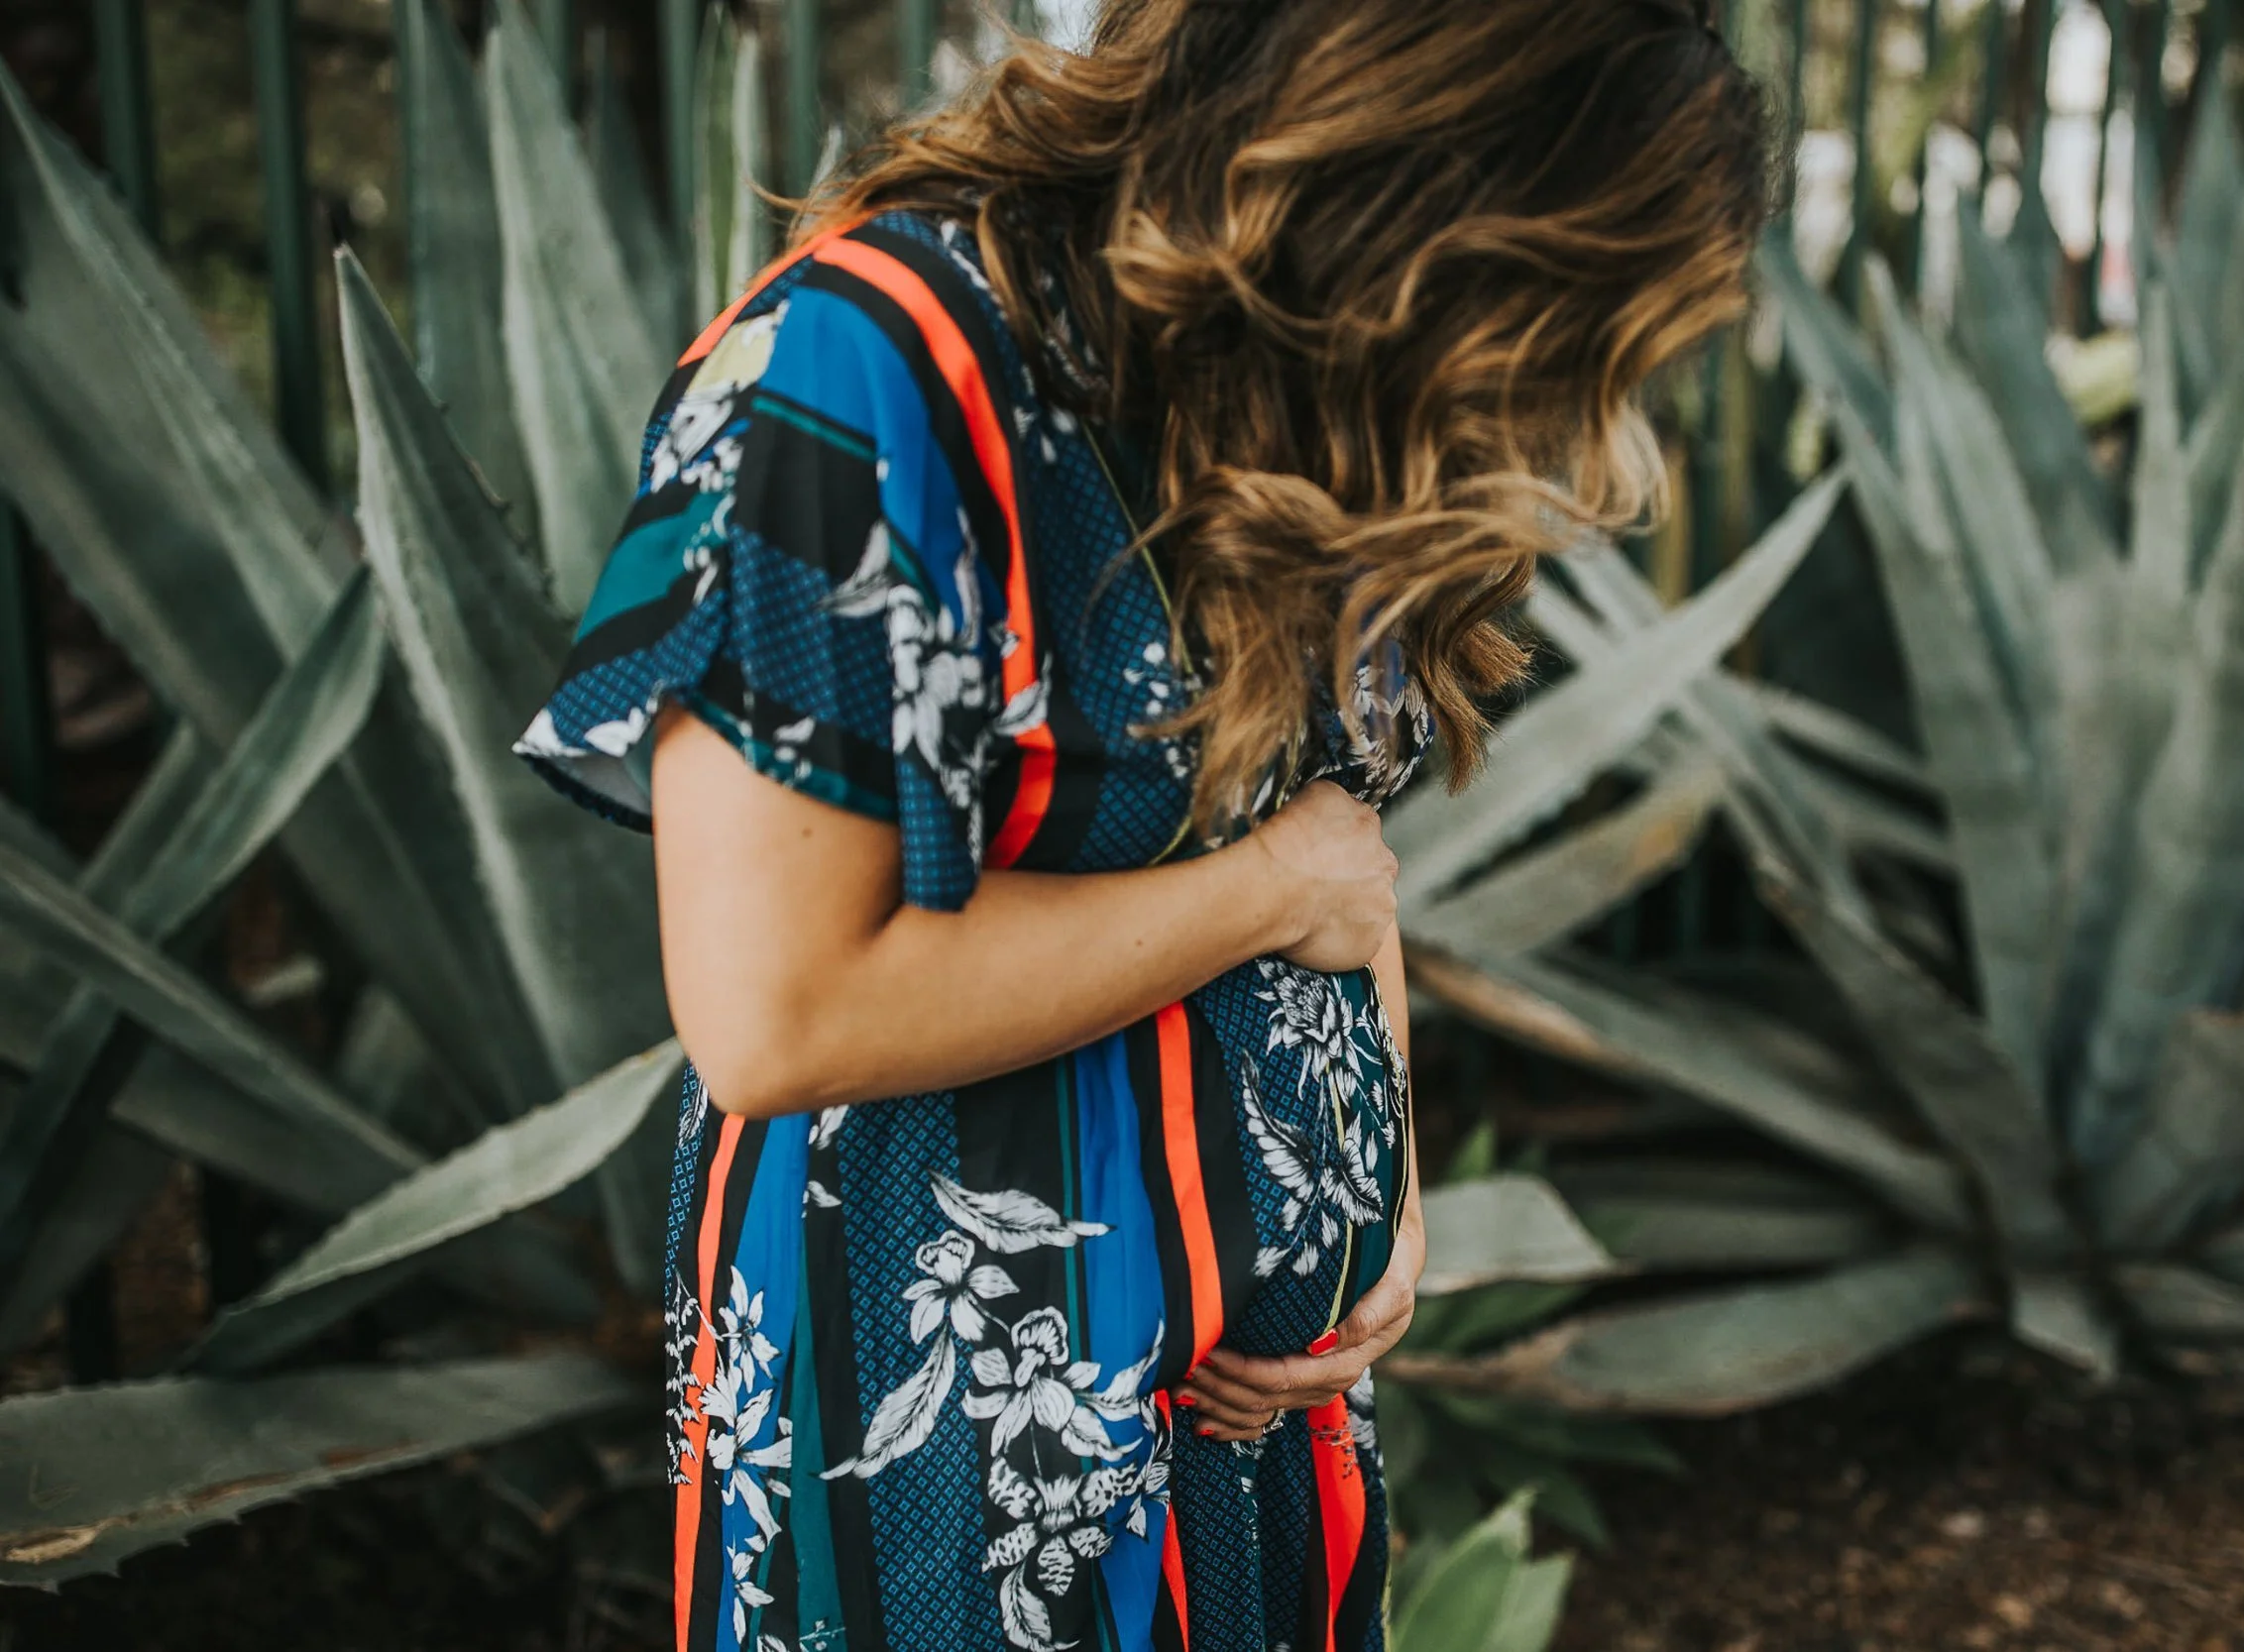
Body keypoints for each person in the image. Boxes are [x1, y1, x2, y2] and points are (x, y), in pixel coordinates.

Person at [514, 0, 1768, 1646]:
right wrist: (1264, 891)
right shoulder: (869, 363)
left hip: (1252, 1432)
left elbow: (1343, 847)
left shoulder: (1308, 403)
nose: (1600, 450)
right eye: (1558, 320)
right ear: (1408, 195)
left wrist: (1368, 1203)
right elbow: (777, 1007)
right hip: (956, 1429)